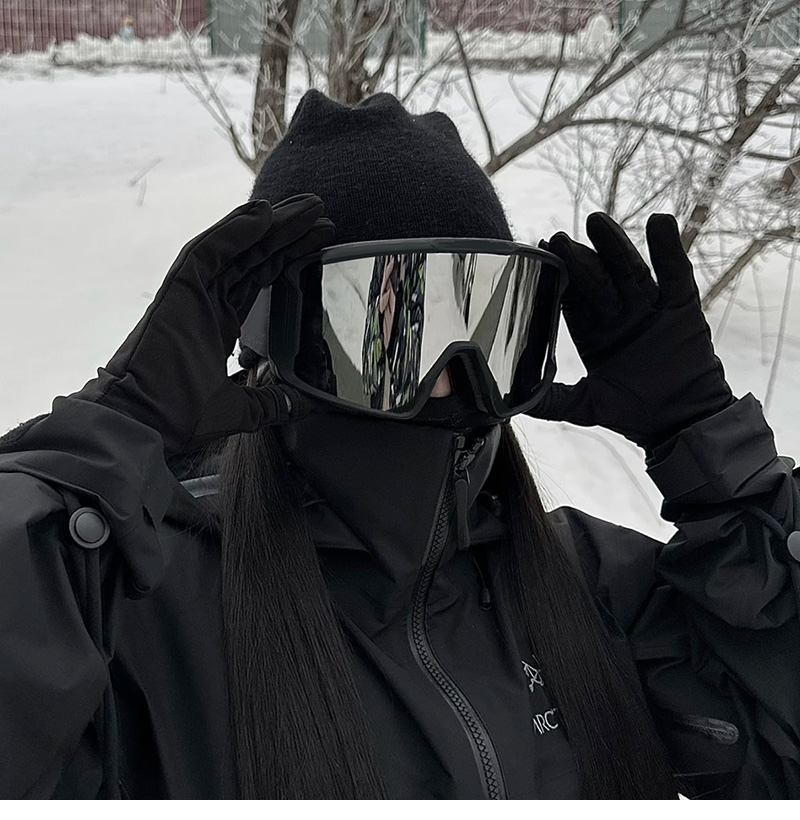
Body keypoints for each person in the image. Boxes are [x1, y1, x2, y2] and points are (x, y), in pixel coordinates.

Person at [0, 90, 798, 800]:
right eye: (396, 331)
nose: (455, 373)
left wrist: (716, 463)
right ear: (285, 339)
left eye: (486, 323)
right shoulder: (143, 611)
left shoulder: (592, 585)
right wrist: (105, 444)